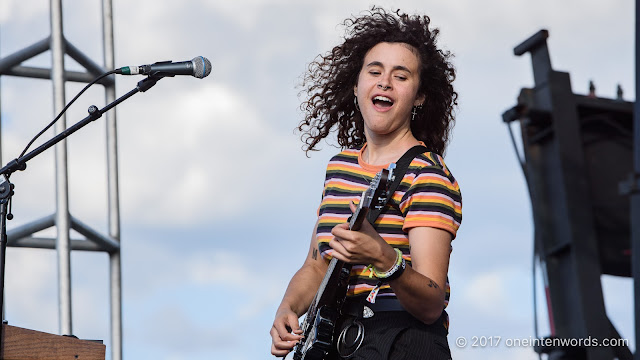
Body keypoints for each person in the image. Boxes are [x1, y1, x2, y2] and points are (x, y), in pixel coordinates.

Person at [270, 7, 462, 360]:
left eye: (401, 76)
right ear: (356, 85)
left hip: (402, 342)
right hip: (341, 342)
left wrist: (382, 256)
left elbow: (431, 303)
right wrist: (288, 308)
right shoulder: (339, 168)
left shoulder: (428, 173)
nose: (384, 82)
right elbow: (316, 265)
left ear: (420, 96)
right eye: (374, 71)